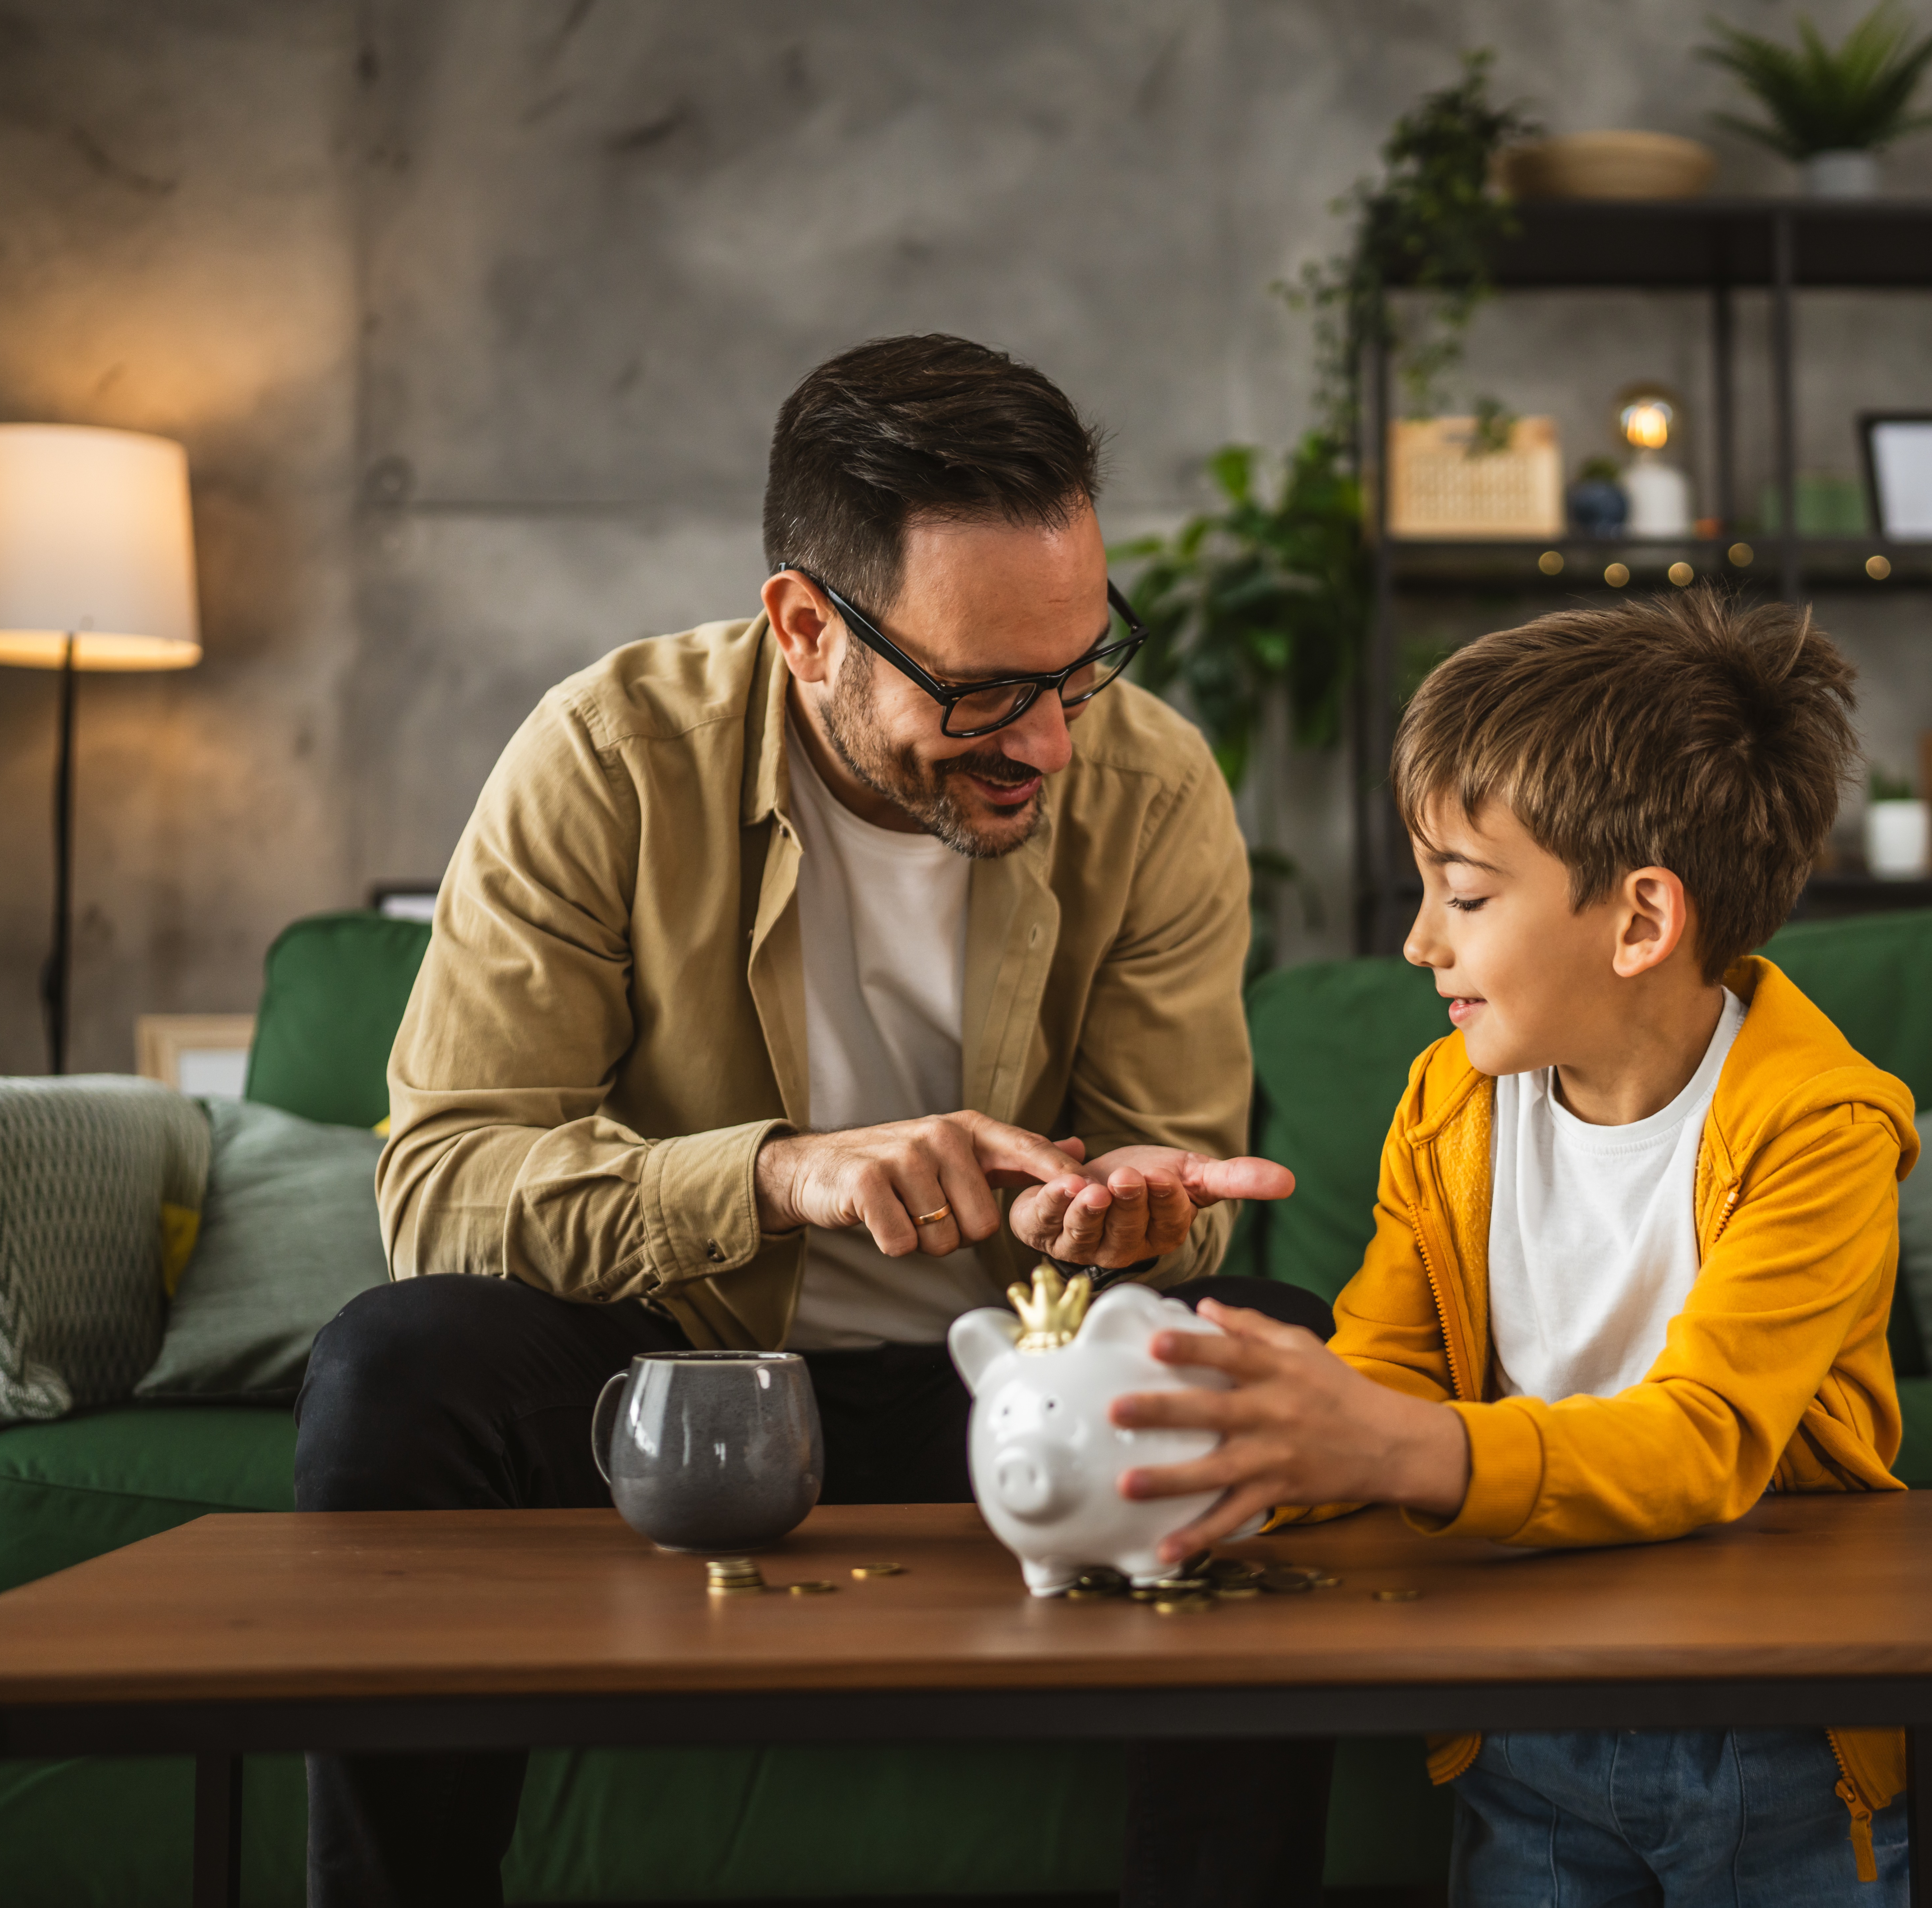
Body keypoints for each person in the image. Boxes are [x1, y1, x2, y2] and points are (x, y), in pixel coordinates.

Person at [295, 334, 1335, 1908]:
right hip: (674, 1381)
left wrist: (1119, 1215)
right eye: (983, 689)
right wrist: (784, 1178)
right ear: (805, 626)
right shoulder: (605, 756)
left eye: (1075, 668)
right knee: (399, 1361)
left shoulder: (1153, 782)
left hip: (1002, 1396)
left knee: (1261, 1339)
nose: (1046, 740)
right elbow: (441, 1187)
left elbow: (1164, 1181)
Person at [1101, 589, 1932, 1905]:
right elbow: (1385, 1370)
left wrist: (1390, 1445)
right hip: (1527, 1708)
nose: (1418, 940)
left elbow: (1703, 1438)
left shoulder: (1818, 1128)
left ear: (1640, 922)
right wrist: (1225, 1458)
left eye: (1465, 892)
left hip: (1777, 1719)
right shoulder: (1448, 1103)